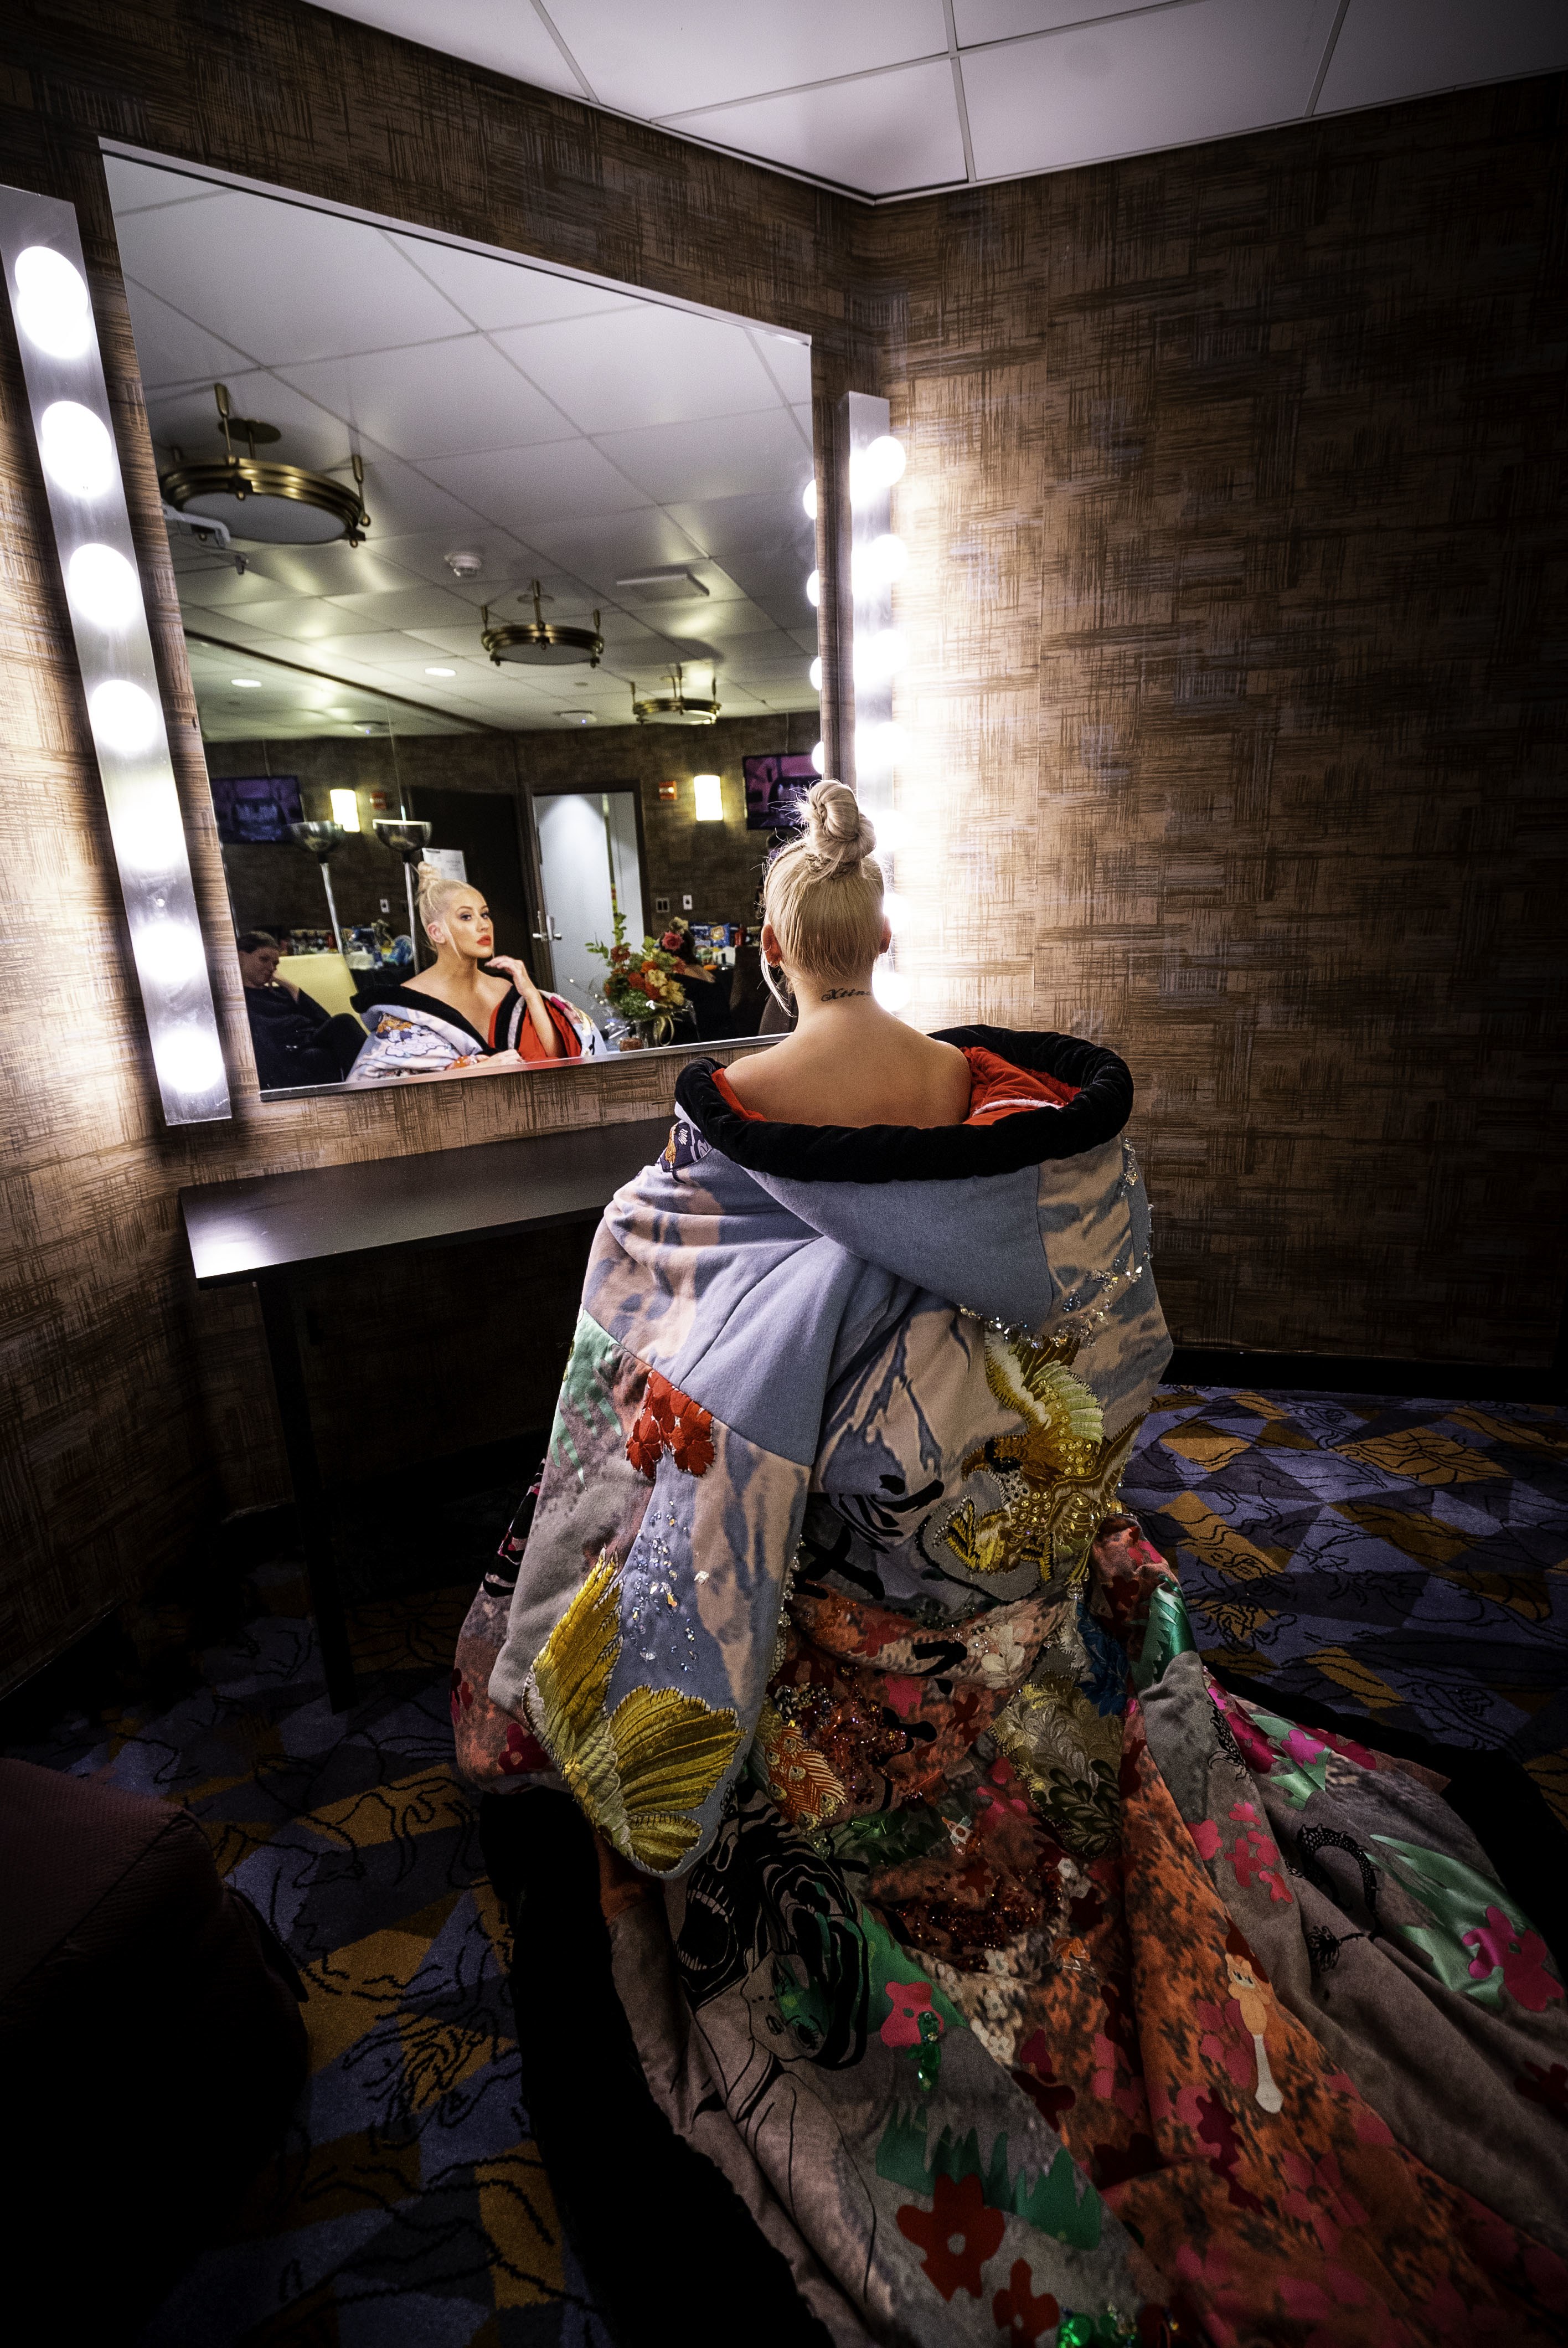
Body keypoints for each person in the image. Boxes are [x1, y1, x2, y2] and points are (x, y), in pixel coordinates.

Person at [450, 782, 1568, 2346]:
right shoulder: (1022, 1141)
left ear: (771, 947)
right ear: (883, 936)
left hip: (857, 1609)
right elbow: (1105, 1351)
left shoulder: (715, 1147)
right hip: (1017, 1577)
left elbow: (632, 1407)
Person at [348, 866, 605, 1082]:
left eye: (484, 914)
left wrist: (531, 994)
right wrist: (476, 1070)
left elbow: (561, 1058)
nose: (483, 925)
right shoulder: (407, 1004)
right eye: (466, 917)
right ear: (437, 932)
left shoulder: (508, 990)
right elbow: (383, 1089)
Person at [236, 930, 365, 1089]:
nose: (271, 968)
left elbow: (325, 1021)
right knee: (322, 1052)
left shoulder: (282, 992)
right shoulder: (239, 1000)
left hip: (312, 1040)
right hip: (288, 1053)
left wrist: (290, 986)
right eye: (264, 960)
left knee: (344, 1022)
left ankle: (374, 1079)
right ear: (241, 957)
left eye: (275, 964)